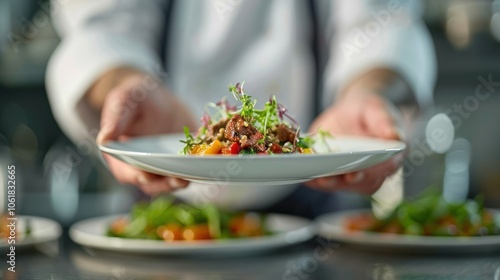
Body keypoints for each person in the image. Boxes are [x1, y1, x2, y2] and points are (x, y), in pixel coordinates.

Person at [45, 0, 436, 216]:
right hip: (166, 210)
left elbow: (383, 22)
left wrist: (368, 93)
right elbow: (103, 27)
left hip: (314, 204)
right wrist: (124, 85)